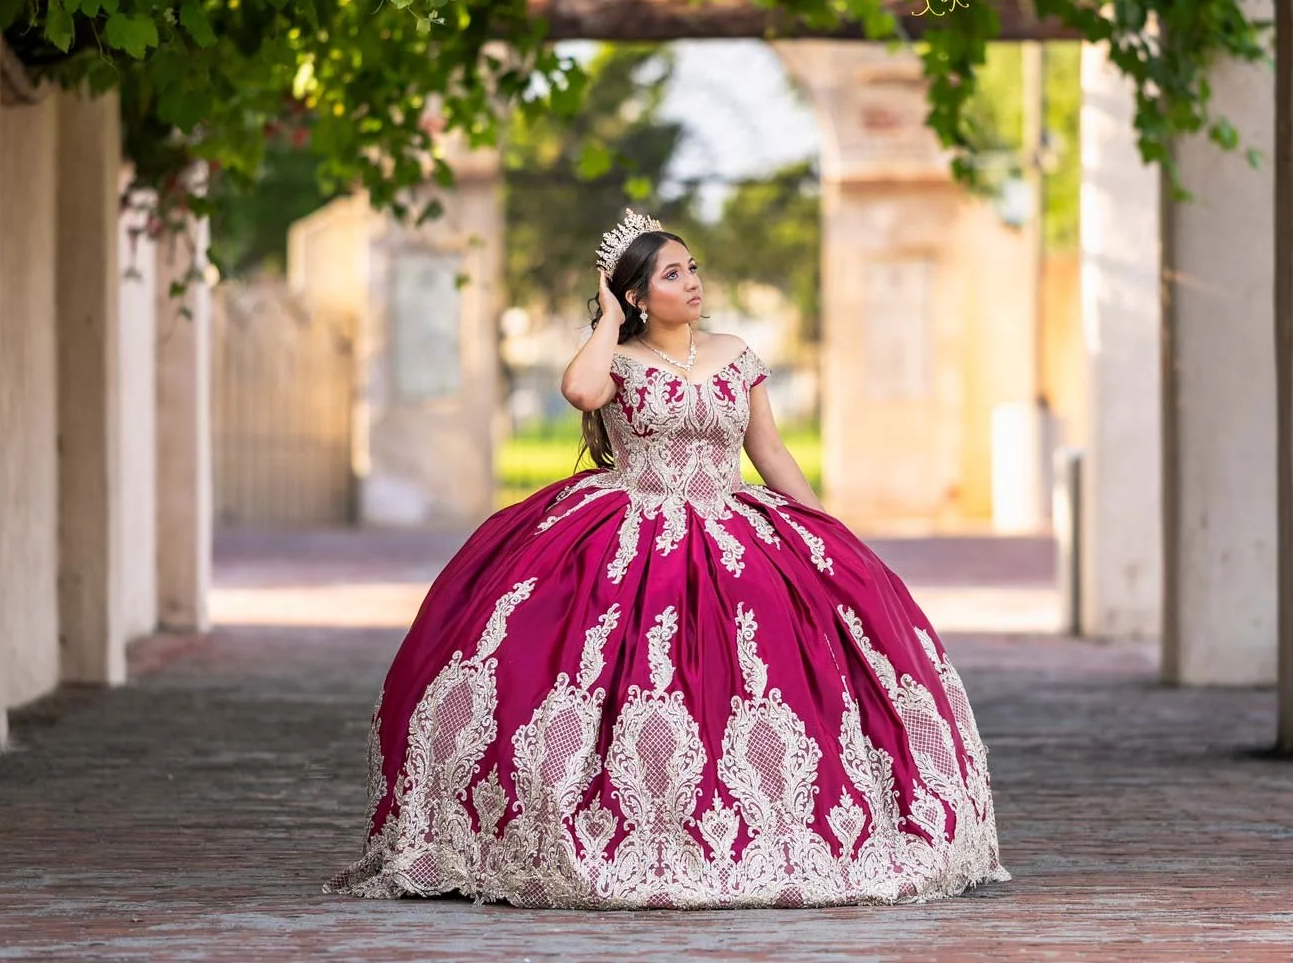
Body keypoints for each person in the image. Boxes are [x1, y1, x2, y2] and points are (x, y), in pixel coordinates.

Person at [324, 208, 1010, 908]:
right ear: (636, 295)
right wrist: (606, 323)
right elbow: (581, 392)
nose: (692, 283)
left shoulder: (737, 353)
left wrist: (822, 531)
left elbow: (767, 450)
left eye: (693, 269)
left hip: (731, 520)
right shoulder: (617, 360)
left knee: (763, 670)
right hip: (630, 524)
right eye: (672, 274)